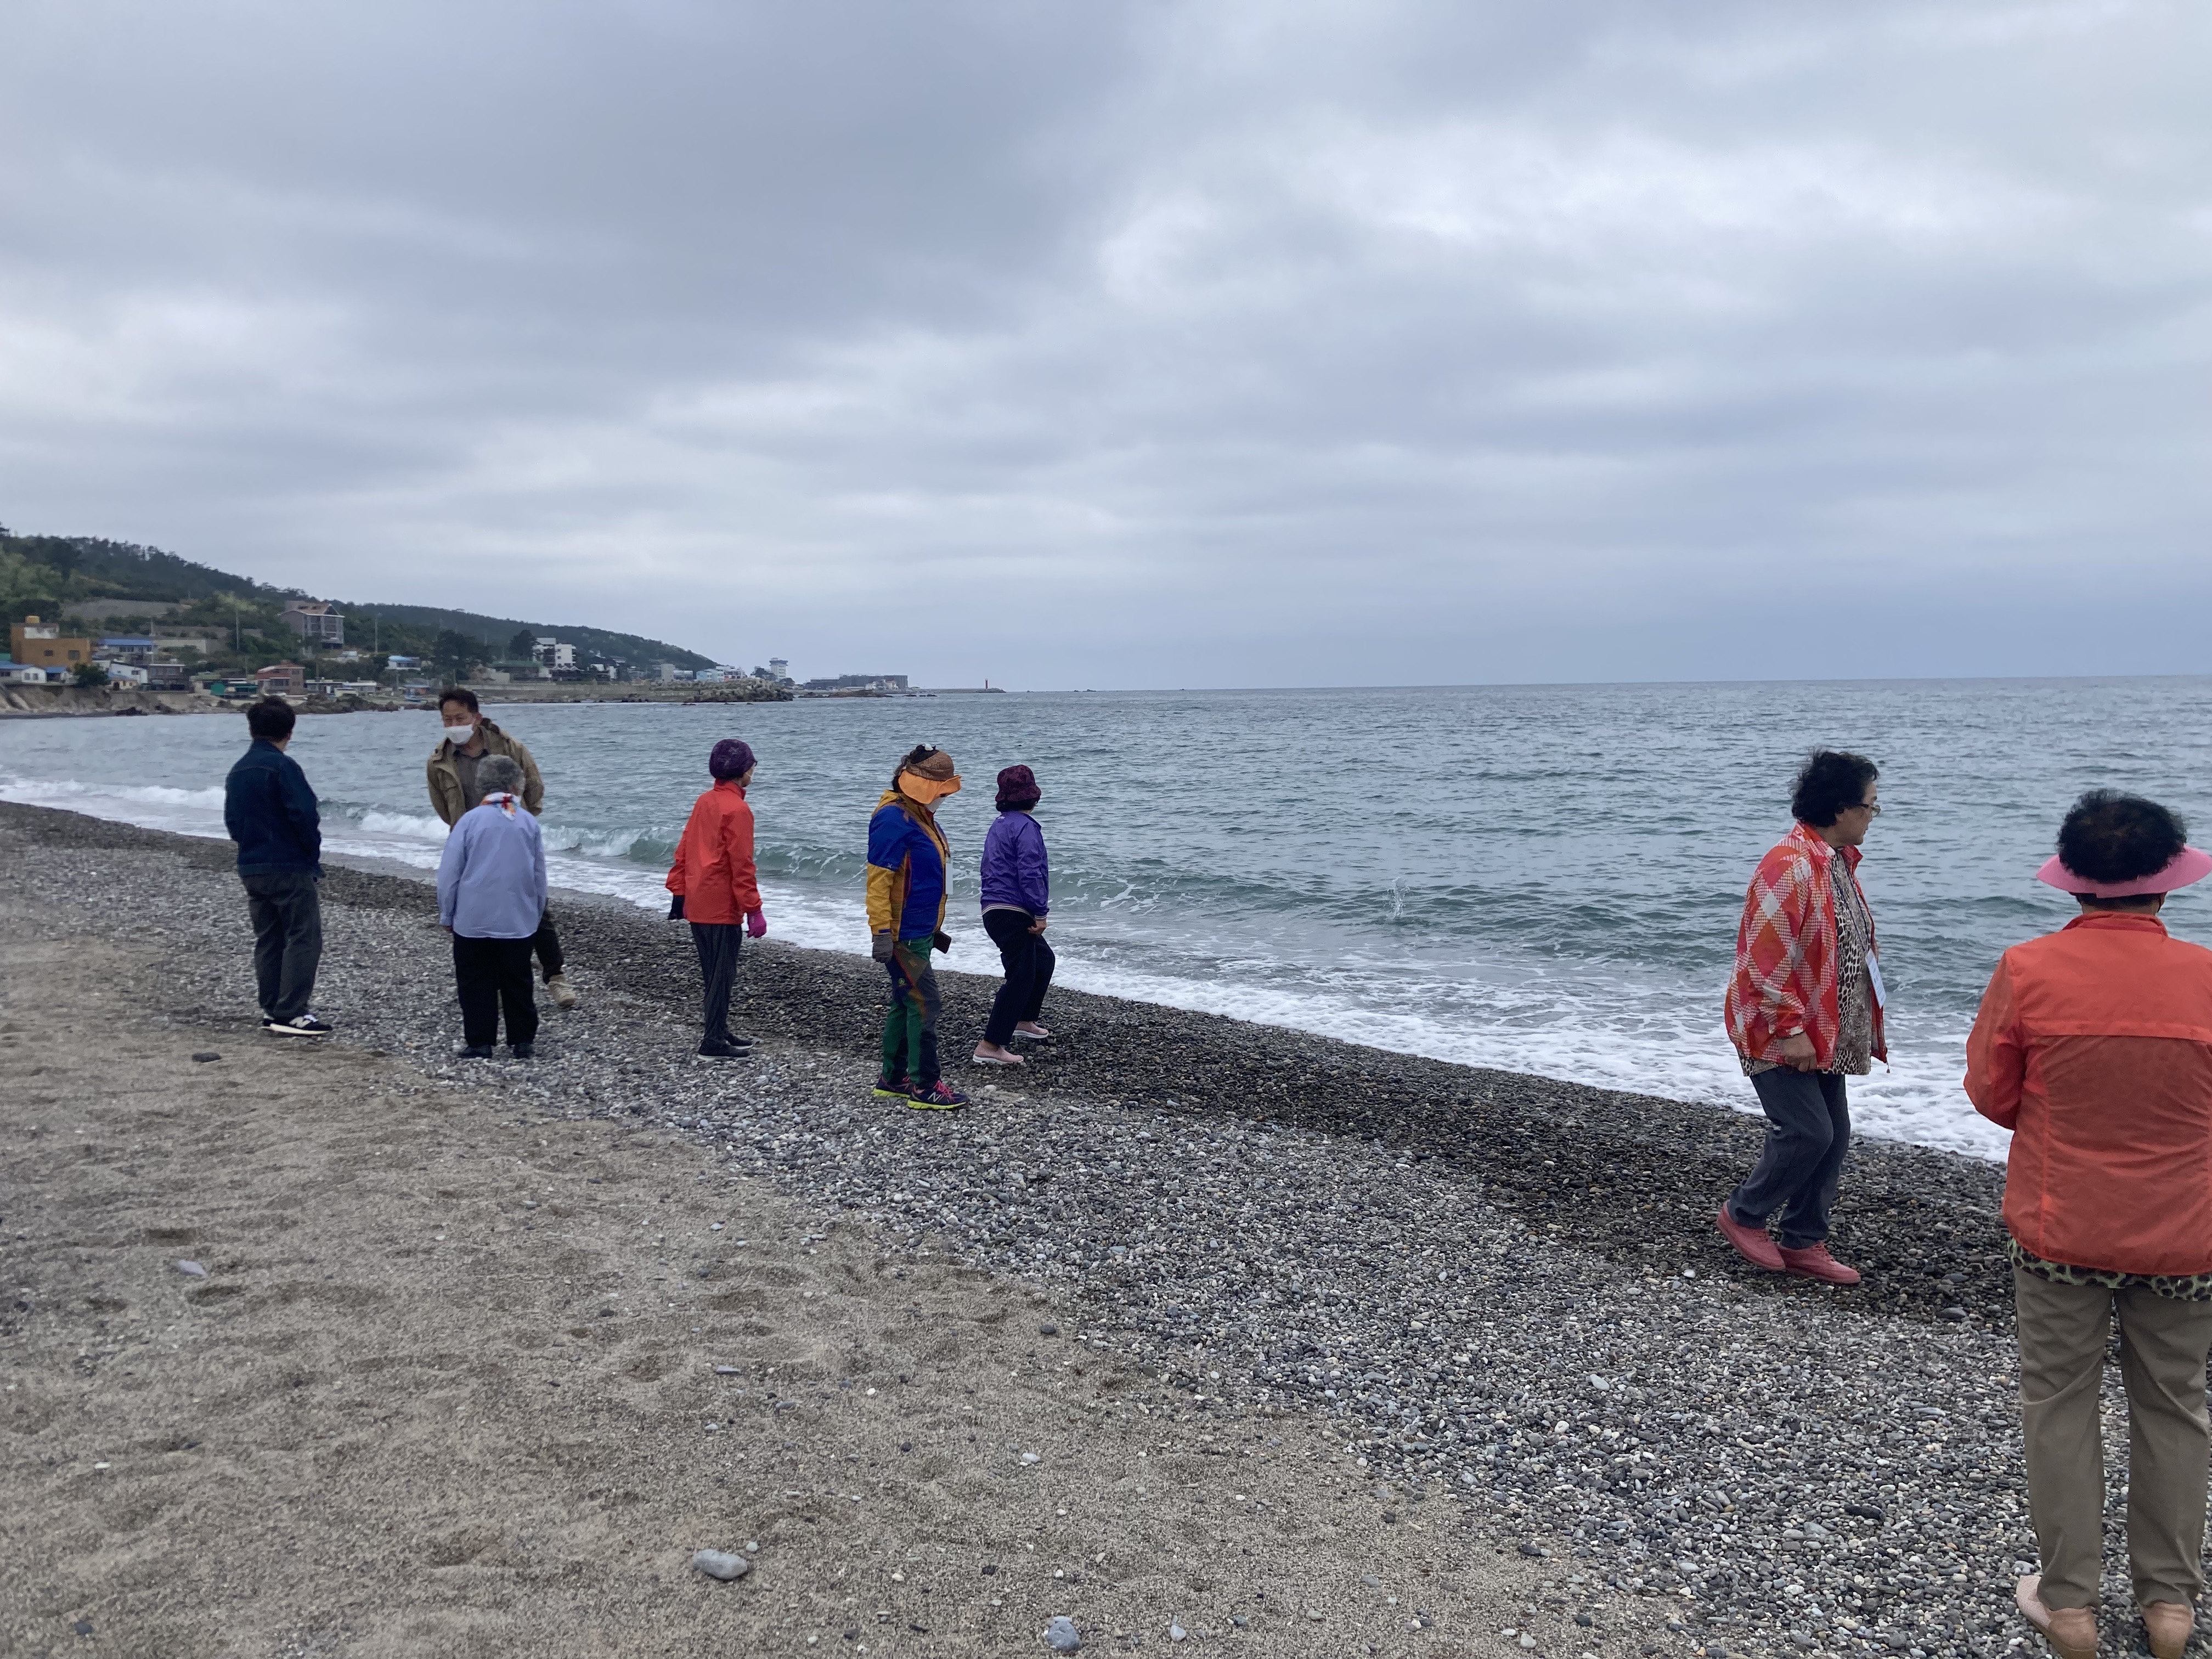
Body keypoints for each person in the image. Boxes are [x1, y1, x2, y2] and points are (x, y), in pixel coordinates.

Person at [1966, 791, 2212, 1659]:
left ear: (2072, 882)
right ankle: (2170, 1606)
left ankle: (2070, 1605)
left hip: (2060, 1226)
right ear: (2167, 883)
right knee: (2175, 1408)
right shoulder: (2207, 977)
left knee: (2059, 1408)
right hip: (2185, 1234)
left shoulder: (2027, 969)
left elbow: (1992, 1095)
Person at [1717, 748, 1884, 1285]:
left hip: (1824, 1028)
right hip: (1777, 1029)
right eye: (1870, 806)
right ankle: (1744, 1214)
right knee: (1808, 1131)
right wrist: (1789, 1029)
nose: (1874, 816)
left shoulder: (1835, 860)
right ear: (1840, 809)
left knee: (1834, 1134)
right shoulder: (1788, 865)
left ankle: (1804, 1240)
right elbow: (1763, 958)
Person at [426, 687, 578, 1009]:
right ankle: (487, 980)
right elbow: (440, 803)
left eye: (460, 718)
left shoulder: (509, 748)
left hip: (511, 834)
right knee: (472, 906)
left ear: (476, 717)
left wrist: (521, 822)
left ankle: (556, 976)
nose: (453, 725)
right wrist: (467, 829)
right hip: (470, 839)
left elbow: (533, 787)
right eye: (447, 720)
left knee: (533, 902)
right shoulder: (439, 760)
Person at [866, 745, 968, 1109]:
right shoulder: (893, 819)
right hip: (902, 934)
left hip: (921, 930)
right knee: (925, 1003)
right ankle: (925, 1085)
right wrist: (881, 932)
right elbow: (878, 881)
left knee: (905, 1000)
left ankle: (893, 1078)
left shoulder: (920, 816)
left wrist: (934, 925)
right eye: (940, 790)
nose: (944, 797)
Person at [223, 697, 332, 1036]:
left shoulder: (238, 770)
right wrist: (311, 853)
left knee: (269, 938)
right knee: (303, 936)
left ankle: (273, 1007)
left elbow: (232, 821)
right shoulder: (283, 767)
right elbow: (305, 814)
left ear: (252, 729)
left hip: (252, 863)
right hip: (287, 863)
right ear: (290, 731)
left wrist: (248, 845)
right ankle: (292, 1012)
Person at [436, 753, 548, 1059]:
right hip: (517, 919)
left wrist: (447, 912)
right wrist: (536, 912)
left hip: (473, 918)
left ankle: (480, 1041)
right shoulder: (528, 822)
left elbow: (450, 873)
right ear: (516, 786)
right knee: (518, 980)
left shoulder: (469, 821)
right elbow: (539, 875)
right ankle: (522, 1040)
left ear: (481, 786)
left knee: (474, 980)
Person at [666, 738, 767, 1059]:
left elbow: (684, 849)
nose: (754, 771)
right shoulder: (738, 809)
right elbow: (742, 865)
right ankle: (711, 1041)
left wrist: (679, 892)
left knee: (713, 972)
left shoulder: (705, 801)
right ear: (744, 770)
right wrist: (754, 910)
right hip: (721, 904)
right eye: (752, 766)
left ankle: (719, 1030)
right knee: (722, 975)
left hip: (697, 899)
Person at [972, 764, 1055, 1066]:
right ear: (1033, 798)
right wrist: (1040, 912)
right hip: (1013, 911)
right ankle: (991, 1044)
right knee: (1021, 976)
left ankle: (1023, 1020)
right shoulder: (1026, 827)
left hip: (994, 909)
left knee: (1043, 961)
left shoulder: (1000, 824)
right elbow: (1030, 872)